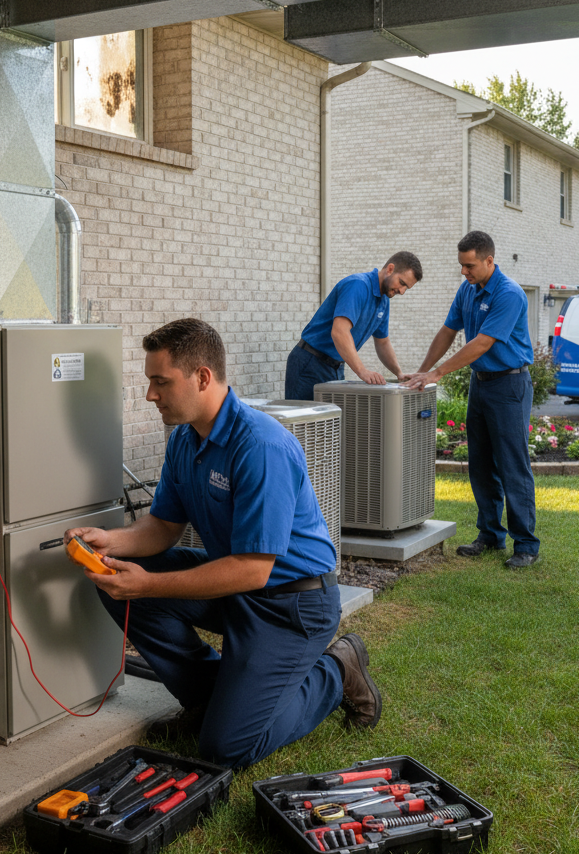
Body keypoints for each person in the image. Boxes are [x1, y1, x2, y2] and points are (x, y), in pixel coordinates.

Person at [64, 318, 381, 768]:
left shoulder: (260, 446)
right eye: (149, 382)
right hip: (237, 588)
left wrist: (148, 585)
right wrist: (109, 541)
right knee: (113, 578)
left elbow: (254, 569)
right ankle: (212, 699)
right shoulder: (184, 440)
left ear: (203, 378)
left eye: (160, 382)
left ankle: (338, 669)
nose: (150, 394)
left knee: (226, 749)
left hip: (292, 605)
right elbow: (163, 527)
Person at [405, 231, 539, 568]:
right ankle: (491, 535)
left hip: (510, 386)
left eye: (469, 266)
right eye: (462, 266)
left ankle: (526, 545)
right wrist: (422, 371)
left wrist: (438, 374)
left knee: (512, 465)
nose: (464, 272)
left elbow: (482, 343)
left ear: (489, 261)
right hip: (481, 385)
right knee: (480, 464)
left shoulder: (509, 294)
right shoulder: (467, 289)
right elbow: (448, 330)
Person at [285, 252, 423, 401]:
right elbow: (339, 332)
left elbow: (382, 342)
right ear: (390, 269)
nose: (402, 291)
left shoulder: (384, 301)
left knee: (333, 423)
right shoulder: (358, 285)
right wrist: (362, 371)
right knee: (304, 423)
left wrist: (399, 373)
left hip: (336, 368)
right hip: (311, 363)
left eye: (406, 288)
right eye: (401, 283)